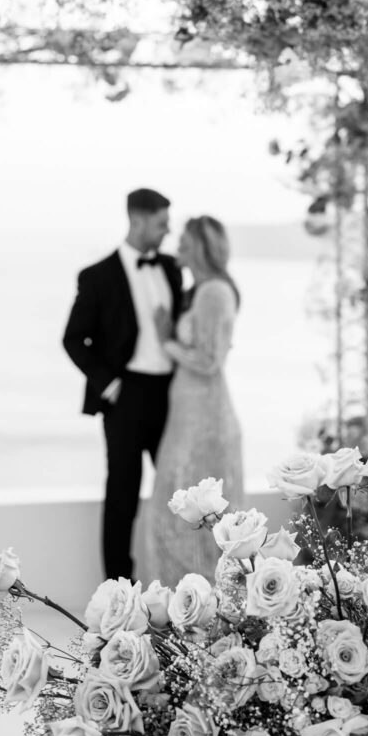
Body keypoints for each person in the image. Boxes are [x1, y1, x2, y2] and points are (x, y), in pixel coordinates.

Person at [62, 188, 183, 580]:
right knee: (122, 497)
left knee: (183, 495)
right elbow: (73, 338)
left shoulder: (171, 267)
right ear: (137, 221)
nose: (167, 231)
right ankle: (118, 590)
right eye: (161, 223)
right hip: (125, 396)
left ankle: (184, 586)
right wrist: (109, 383)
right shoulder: (97, 276)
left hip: (172, 395)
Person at [143, 215, 243, 586]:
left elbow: (209, 360)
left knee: (194, 516)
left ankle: (198, 606)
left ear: (200, 247)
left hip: (205, 419)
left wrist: (166, 338)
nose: (177, 247)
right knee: (171, 510)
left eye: (184, 241)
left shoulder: (215, 292)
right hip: (186, 415)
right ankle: (174, 606)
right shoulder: (199, 291)